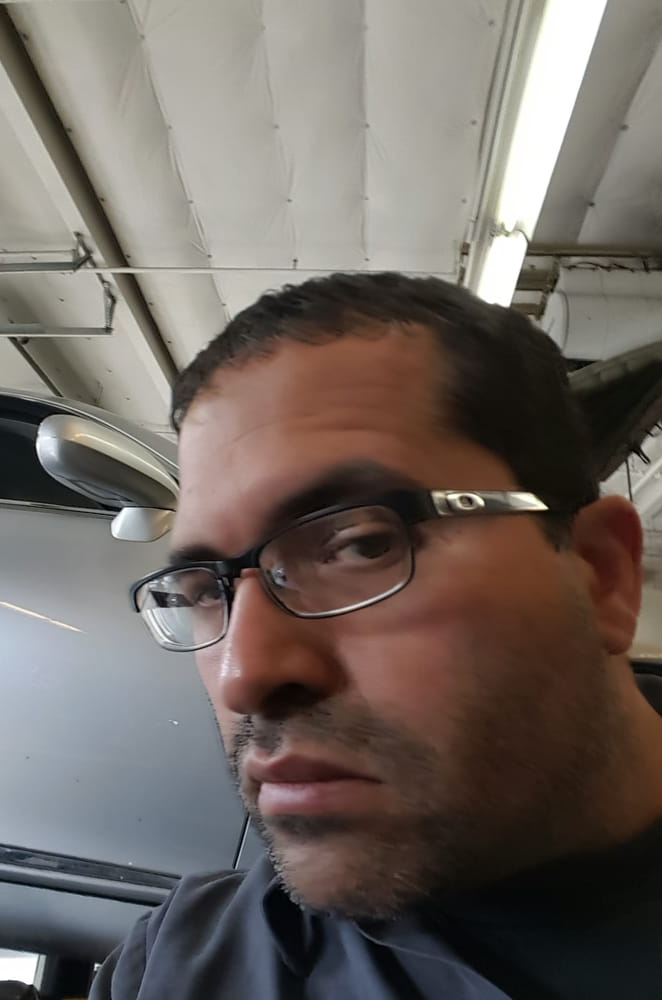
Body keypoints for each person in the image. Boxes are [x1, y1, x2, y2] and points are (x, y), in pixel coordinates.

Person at [91, 273, 662, 999]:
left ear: (601, 573)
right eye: (205, 591)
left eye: (360, 545)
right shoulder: (179, 972)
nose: (244, 674)